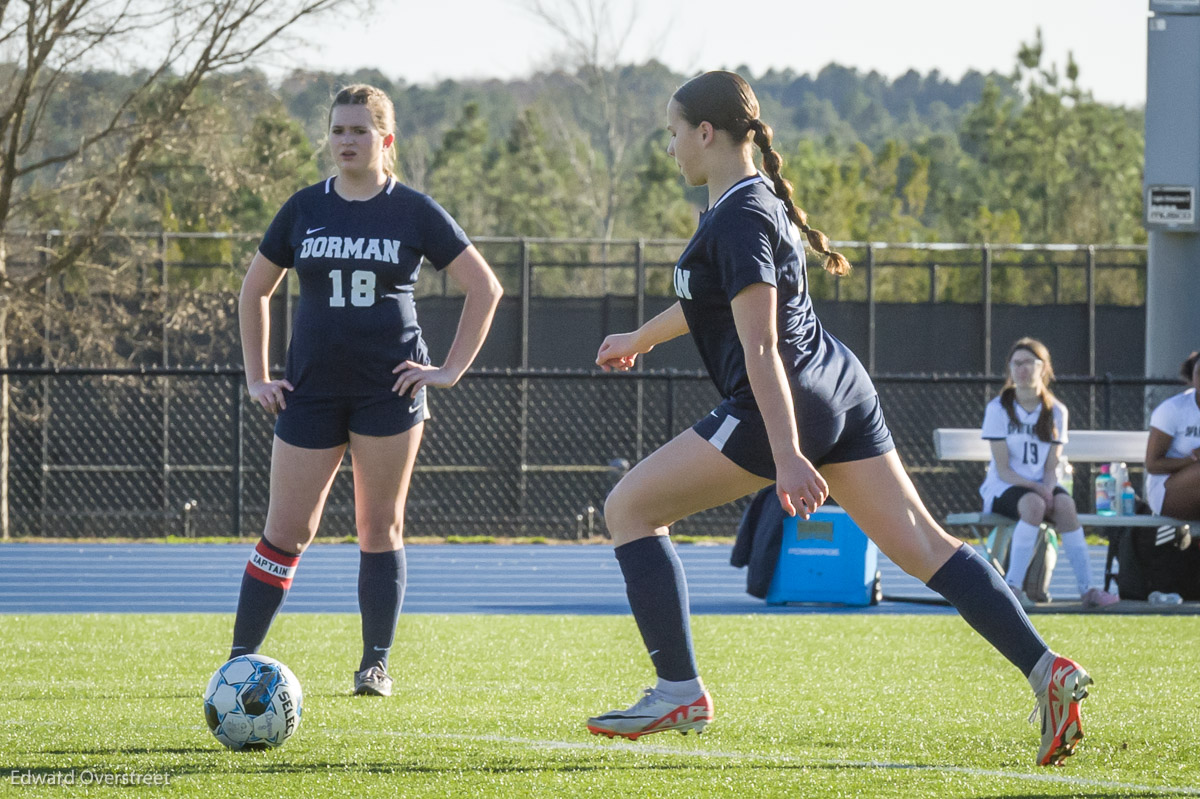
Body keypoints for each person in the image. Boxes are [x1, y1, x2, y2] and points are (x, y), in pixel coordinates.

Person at [587, 71, 1090, 767]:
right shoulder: (751, 200)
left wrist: (789, 456)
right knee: (925, 546)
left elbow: (759, 344)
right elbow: (717, 303)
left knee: (629, 508)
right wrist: (640, 338)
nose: (670, 146)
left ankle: (679, 689)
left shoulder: (735, 216)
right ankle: (1047, 669)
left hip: (785, 404)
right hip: (839, 385)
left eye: (673, 132)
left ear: (706, 133)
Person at [229, 84, 503, 696]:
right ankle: (237, 662)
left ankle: (373, 664)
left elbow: (485, 288)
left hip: (389, 394)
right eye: (337, 130)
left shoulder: (413, 210)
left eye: (358, 130)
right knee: (286, 531)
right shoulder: (303, 208)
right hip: (311, 392)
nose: (346, 140)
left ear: (386, 139)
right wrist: (257, 375)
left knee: (379, 528)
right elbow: (254, 291)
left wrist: (448, 370)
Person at [980, 338, 1119, 609]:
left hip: (1041, 485)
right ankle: (1013, 588)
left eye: (1028, 363)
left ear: (1043, 368)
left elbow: (1051, 466)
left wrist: (1048, 486)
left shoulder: (1056, 411)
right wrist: (1038, 489)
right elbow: (1004, 470)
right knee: (1033, 505)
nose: (1021, 369)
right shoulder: (998, 409)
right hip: (1004, 488)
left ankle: (1088, 590)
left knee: (1066, 506)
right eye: (1016, 363)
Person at [1145, 350, 1200, 521]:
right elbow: (1153, 465)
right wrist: (1192, 461)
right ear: (1192, 377)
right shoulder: (1174, 409)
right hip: (1166, 488)